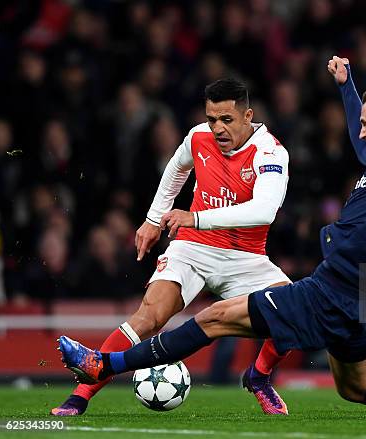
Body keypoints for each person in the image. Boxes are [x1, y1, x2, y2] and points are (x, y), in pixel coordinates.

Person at [59, 37, 366, 419]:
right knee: (359, 387)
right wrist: (348, 87)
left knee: (214, 318)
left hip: (339, 280)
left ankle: (106, 363)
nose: (361, 132)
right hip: (362, 289)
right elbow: (355, 135)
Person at [52, 78, 292, 416]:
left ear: (247, 115)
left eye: (227, 119)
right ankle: (80, 395)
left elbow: (263, 211)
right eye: (212, 119)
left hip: (246, 256)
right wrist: (153, 219)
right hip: (193, 248)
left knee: (293, 313)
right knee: (149, 316)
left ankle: (259, 377)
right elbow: (177, 168)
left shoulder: (271, 152)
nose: (218, 128)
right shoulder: (198, 137)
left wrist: (196, 217)